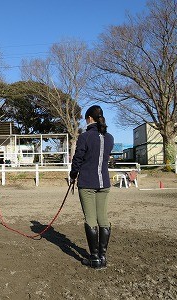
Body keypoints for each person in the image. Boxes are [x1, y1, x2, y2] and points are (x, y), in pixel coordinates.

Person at [69, 105, 114, 269]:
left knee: (90, 219)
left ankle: (94, 258)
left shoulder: (85, 137)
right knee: (103, 218)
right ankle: (102, 257)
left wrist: (73, 175)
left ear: (89, 119)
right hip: (104, 183)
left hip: (87, 182)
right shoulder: (109, 138)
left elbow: (78, 159)